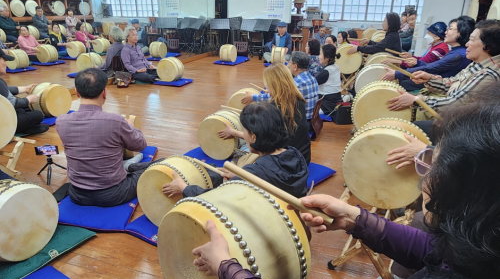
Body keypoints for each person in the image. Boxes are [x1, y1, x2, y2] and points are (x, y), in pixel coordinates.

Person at [190, 96, 500, 279]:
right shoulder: (485, 250)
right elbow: (431, 249)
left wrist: (228, 270)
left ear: (468, 198)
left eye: (434, 165)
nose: (424, 180)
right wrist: (355, 219)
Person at [162, 102, 309, 199]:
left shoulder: (255, 173)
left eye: (244, 131)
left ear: (253, 137)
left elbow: (215, 198)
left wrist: (184, 188)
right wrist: (241, 176)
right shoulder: (294, 153)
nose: (243, 134)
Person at [387, 19, 500, 136]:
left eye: (472, 39)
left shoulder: (488, 74)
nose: (467, 44)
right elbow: (452, 82)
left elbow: (456, 104)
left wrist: (417, 100)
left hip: (461, 128)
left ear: (488, 45)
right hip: (452, 114)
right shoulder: (476, 64)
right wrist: (430, 79)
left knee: (410, 128)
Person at [56, 68, 149, 207]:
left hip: (77, 194)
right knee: (160, 166)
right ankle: (129, 166)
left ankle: (128, 166)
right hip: (113, 194)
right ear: (104, 93)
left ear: (77, 92)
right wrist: (131, 127)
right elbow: (140, 145)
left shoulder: (61, 121)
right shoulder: (115, 121)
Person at [221, 63, 311, 164]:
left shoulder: (273, 110)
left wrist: (234, 132)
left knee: (245, 148)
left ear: (274, 85)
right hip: (303, 156)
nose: (266, 89)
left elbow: (259, 139)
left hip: (286, 162)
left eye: (267, 84)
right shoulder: (298, 99)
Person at [382, 18, 474, 91]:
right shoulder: (456, 51)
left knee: (401, 83)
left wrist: (397, 73)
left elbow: (430, 68)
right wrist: (416, 62)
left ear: (461, 33)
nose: (446, 32)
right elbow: (431, 66)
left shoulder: (457, 54)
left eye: (450, 29)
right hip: (434, 79)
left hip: (438, 85)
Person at [242, 52, 318, 127]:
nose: (288, 65)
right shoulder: (313, 79)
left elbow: (277, 98)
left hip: (300, 122)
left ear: (295, 67)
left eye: (290, 62)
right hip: (312, 120)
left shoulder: (295, 84)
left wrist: (253, 97)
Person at [0, 50, 47, 135]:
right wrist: (28, 99)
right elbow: (13, 104)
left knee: (26, 108)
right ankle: (23, 128)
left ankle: (26, 127)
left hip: (3, 114)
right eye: (4, 61)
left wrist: (25, 89)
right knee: (38, 114)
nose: (6, 64)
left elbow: (5, 90)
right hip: (3, 122)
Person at [315, 44, 341, 116]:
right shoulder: (336, 66)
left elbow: (313, 83)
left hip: (326, 106)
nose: (319, 57)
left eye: (320, 54)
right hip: (335, 102)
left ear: (327, 58)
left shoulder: (327, 72)